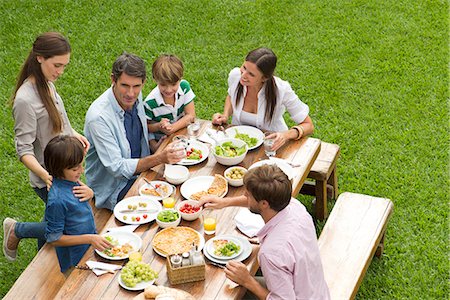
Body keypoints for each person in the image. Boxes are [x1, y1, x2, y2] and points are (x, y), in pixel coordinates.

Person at [3, 32, 91, 261]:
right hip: (49, 175)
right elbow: (23, 150)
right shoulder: (25, 100)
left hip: (64, 168)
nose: (60, 71)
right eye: (57, 65)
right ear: (40, 58)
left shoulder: (48, 84)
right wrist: (46, 176)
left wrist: (74, 135)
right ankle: (17, 230)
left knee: (55, 220)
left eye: (64, 66)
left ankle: (41, 262)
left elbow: (58, 119)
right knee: (68, 223)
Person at [199, 164, 330, 300]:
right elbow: (258, 200)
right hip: (316, 291)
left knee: (228, 292)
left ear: (264, 204)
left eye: (248, 195)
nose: (244, 195)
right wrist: (224, 202)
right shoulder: (294, 206)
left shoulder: (271, 253)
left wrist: (247, 280)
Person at [84, 52, 185, 211]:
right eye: (125, 85)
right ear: (113, 80)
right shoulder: (99, 118)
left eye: (136, 86)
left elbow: (140, 131)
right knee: (168, 207)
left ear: (143, 83)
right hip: (115, 189)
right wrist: (158, 158)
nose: (131, 93)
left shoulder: (134, 97)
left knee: (184, 189)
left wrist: (155, 144)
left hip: (143, 173)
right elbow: (118, 168)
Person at [212, 47, 314, 152]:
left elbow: (308, 125)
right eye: (244, 67)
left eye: (251, 74)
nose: (243, 75)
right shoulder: (235, 76)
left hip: (272, 146)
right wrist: (225, 115)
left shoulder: (281, 89)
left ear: (264, 78)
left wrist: (286, 135)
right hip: (237, 146)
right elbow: (231, 95)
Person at [44, 135, 111, 273]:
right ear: (58, 169)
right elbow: (54, 238)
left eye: (81, 165)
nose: (81, 170)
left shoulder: (71, 181)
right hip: (74, 260)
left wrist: (91, 193)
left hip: (89, 247)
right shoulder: (57, 201)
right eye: (75, 169)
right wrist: (90, 238)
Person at [144, 54, 196, 152]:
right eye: (163, 84)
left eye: (173, 84)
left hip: (182, 136)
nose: (168, 90)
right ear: (155, 79)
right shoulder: (150, 103)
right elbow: (145, 128)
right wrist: (159, 126)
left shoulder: (184, 87)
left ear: (180, 79)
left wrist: (172, 128)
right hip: (162, 144)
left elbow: (191, 115)